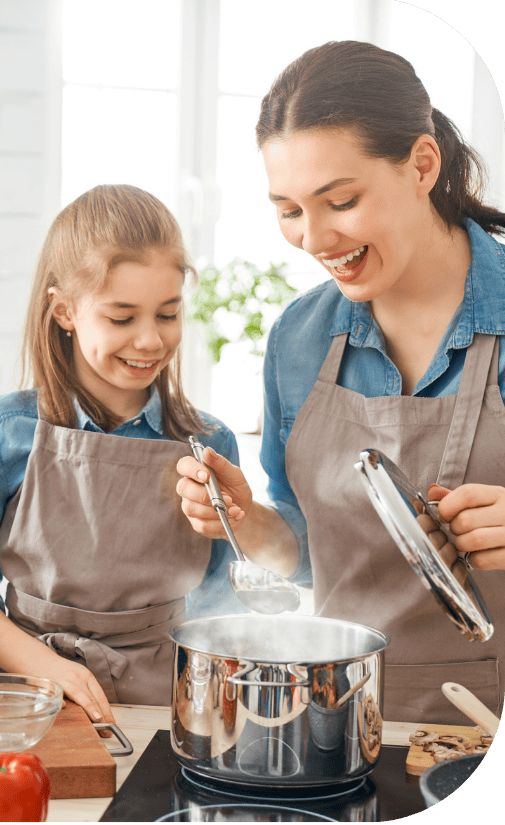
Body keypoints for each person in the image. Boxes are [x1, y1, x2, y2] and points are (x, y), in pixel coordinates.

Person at [176, 40, 505, 725]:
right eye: (289, 209)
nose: (314, 238)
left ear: (422, 165)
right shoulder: (299, 338)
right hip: (342, 719)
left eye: (341, 201)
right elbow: (302, 549)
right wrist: (247, 520)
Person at [0, 184, 244, 723]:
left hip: (169, 697)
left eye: (167, 314)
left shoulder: (209, 442)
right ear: (64, 311)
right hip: (30, 694)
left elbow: (223, 596)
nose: (150, 341)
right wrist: (44, 667)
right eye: (122, 318)